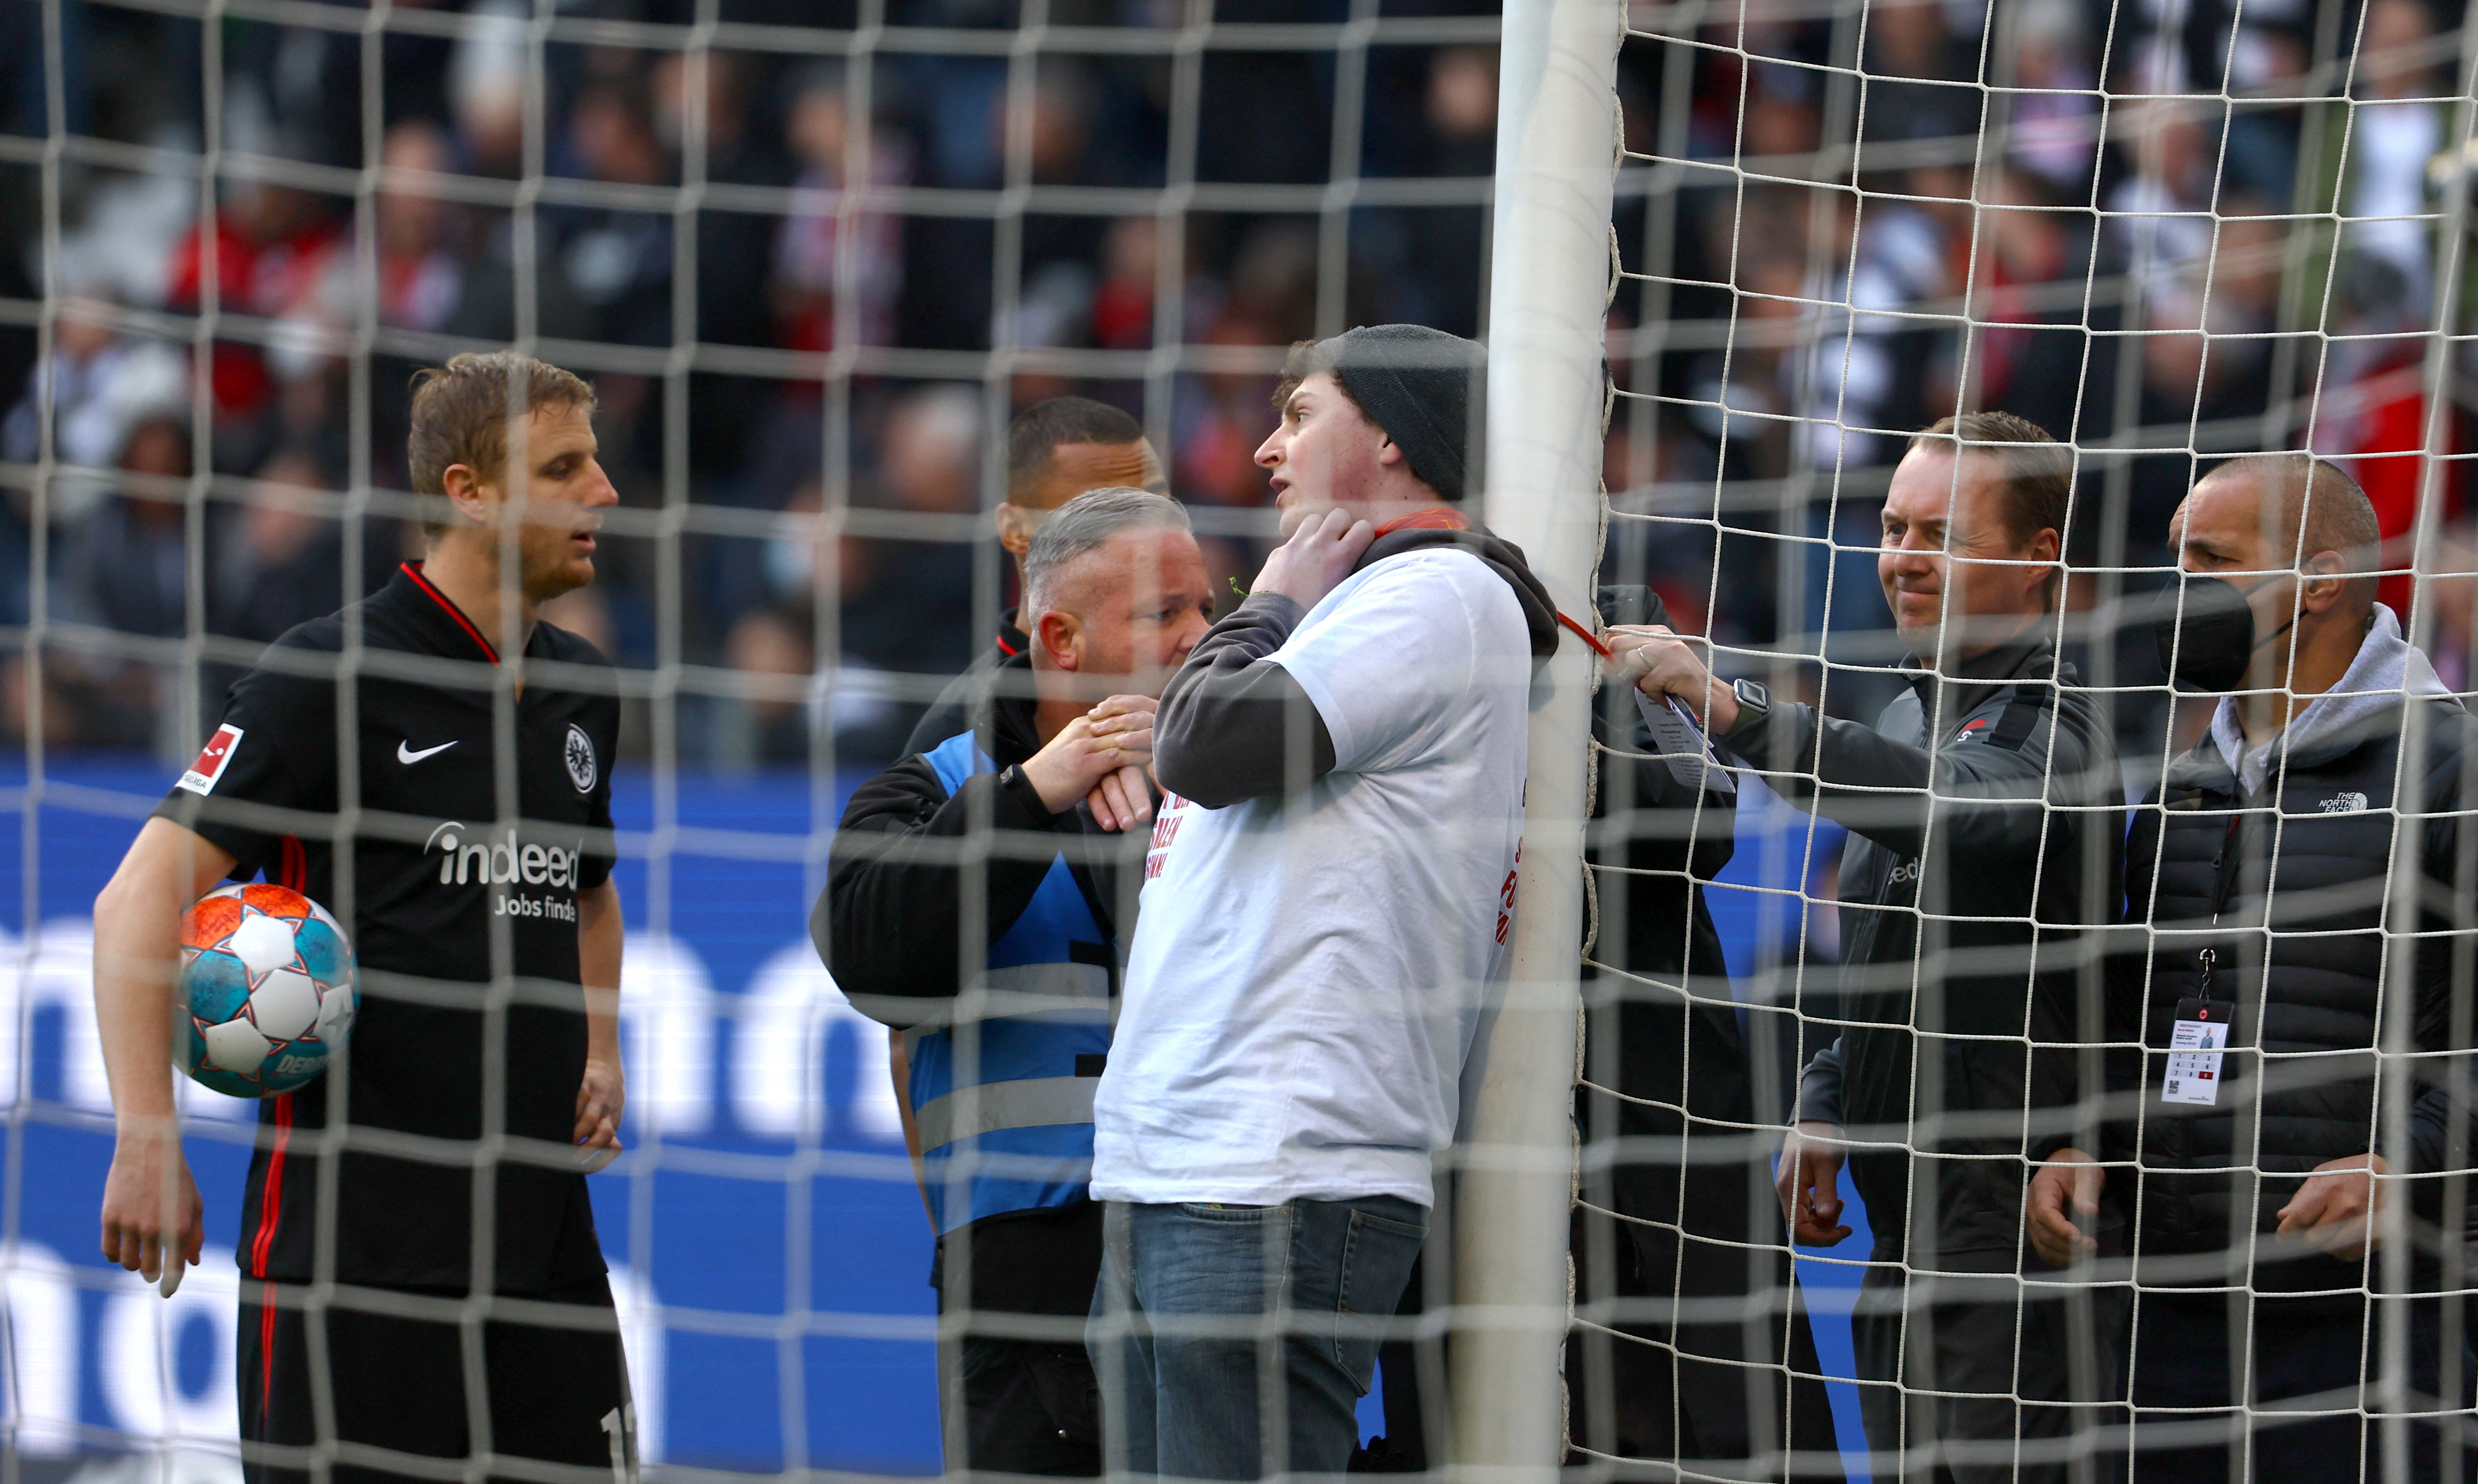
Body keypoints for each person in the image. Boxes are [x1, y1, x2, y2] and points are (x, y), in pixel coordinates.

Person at [92, 350, 633, 1483]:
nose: (606, 493)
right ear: (467, 489)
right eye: (567, 467)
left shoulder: (583, 688)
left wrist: (601, 1044)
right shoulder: (329, 675)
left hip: (545, 1256)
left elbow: (589, 893)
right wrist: (149, 1137)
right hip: (357, 1262)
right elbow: (136, 898)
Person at [1616, 411, 2127, 1484]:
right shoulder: (1907, 711)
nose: (1900, 559)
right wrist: (1824, 1097)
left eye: (1938, 533)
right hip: (1902, 1217)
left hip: (2008, 1217)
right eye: (1892, 528)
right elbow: (1879, 949)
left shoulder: (2056, 713)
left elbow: (1972, 814)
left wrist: (1735, 707)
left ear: (2038, 560)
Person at [1086, 324, 1557, 1479]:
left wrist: (1270, 604)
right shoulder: (1360, 609)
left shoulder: (1438, 596)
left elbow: (1206, 739)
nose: (1261, 448)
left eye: (1298, 413)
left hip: (1279, 1175)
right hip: (1183, 1165)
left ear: (1393, 433)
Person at [2028, 453, 2478, 1482]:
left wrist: (2404, 1162)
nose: (2176, 586)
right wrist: (2083, 1138)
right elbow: (2143, 1008)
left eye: (2209, 557)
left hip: (2371, 1314)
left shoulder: (2447, 768)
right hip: (2170, 1306)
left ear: (2318, 580)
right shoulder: (2187, 782)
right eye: (2173, 554)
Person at [819, 488, 1213, 1476]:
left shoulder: (1238, 786)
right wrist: (1045, 786)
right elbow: (871, 959)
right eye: (1166, 612)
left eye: (1207, 606)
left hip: (1222, 1256)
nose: (1201, 635)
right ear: (1060, 638)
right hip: (1029, 1276)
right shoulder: (930, 786)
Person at [1578, 583, 1846, 1480]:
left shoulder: (1610, 619)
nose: (1274, 449)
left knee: (1718, 1410)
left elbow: (1698, 817)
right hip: (1453, 1131)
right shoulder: (1341, 628)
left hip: (1658, 1121)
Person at [902, 396, 1168, 757]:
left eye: (1154, 500)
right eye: (1099, 509)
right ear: (1016, 530)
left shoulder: (1204, 682)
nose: (1143, 530)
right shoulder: (959, 741)